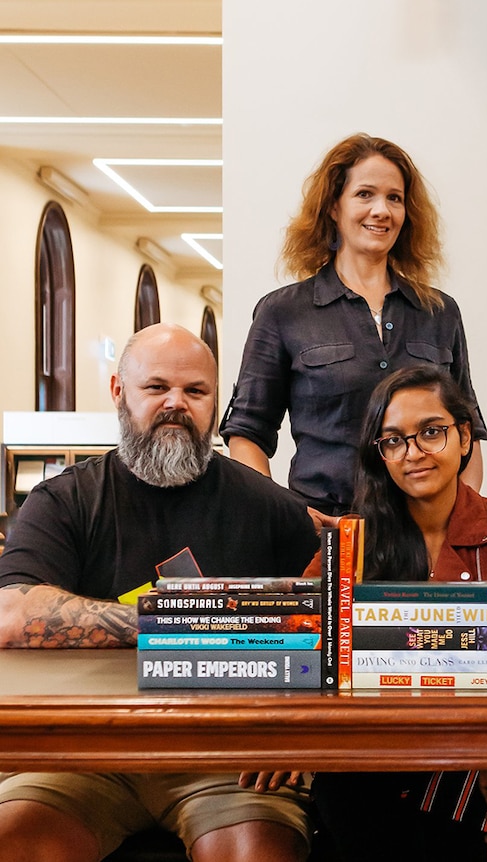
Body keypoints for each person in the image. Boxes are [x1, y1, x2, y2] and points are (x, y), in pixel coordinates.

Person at [0, 324, 321, 862]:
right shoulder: (63, 501)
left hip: (226, 758)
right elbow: (12, 615)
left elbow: (324, 624)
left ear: (215, 405)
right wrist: (186, 616)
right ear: (119, 392)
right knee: (17, 840)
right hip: (81, 756)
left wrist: (297, 732)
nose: (177, 403)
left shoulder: (271, 507)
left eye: (195, 391)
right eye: (156, 388)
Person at [309, 365, 487, 861]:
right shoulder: (354, 534)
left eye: (431, 432)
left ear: (464, 438)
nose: (413, 452)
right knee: (338, 785)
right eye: (393, 441)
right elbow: (308, 625)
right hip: (379, 743)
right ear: (380, 455)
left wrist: (382, 625)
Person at [220, 133, 487, 517]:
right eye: (365, 194)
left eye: (394, 198)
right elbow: (247, 434)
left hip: (424, 534)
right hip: (324, 531)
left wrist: (452, 520)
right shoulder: (282, 312)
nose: (382, 210)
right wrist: (291, 518)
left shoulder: (440, 312)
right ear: (333, 206)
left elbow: (467, 432)